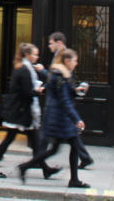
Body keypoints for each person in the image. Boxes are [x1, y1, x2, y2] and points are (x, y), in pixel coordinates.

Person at [0, 43, 60, 179]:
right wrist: (38, 91)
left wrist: (36, 91)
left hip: (22, 111)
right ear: (27, 55)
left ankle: (45, 168)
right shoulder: (25, 70)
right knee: (11, 140)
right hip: (21, 112)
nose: (37, 56)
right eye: (35, 54)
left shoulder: (25, 68)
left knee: (34, 142)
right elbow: (27, 92)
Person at [18, 48, 88, 188]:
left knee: (57, 148)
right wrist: (76, 119)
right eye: (75, 60)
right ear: (67, 61)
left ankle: (25, 167)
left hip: (59, 117)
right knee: (68, 146)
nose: (76, 63)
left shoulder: (61, 74)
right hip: (60, 118)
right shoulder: (60, 76)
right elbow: (64, 101)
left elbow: (62, 94)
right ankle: (73, 180)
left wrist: (76, 90)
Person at [40, 31, 93, 169]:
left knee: (58, 135)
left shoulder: (65, 57)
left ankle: (36, 160)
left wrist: (42, 72)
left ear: (59, 42)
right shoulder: (58, 56)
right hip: (59, 102)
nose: (48, 46)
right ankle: (83, 159)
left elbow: (56, 78)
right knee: (70, 136)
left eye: (51, 43)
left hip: (57, 103)